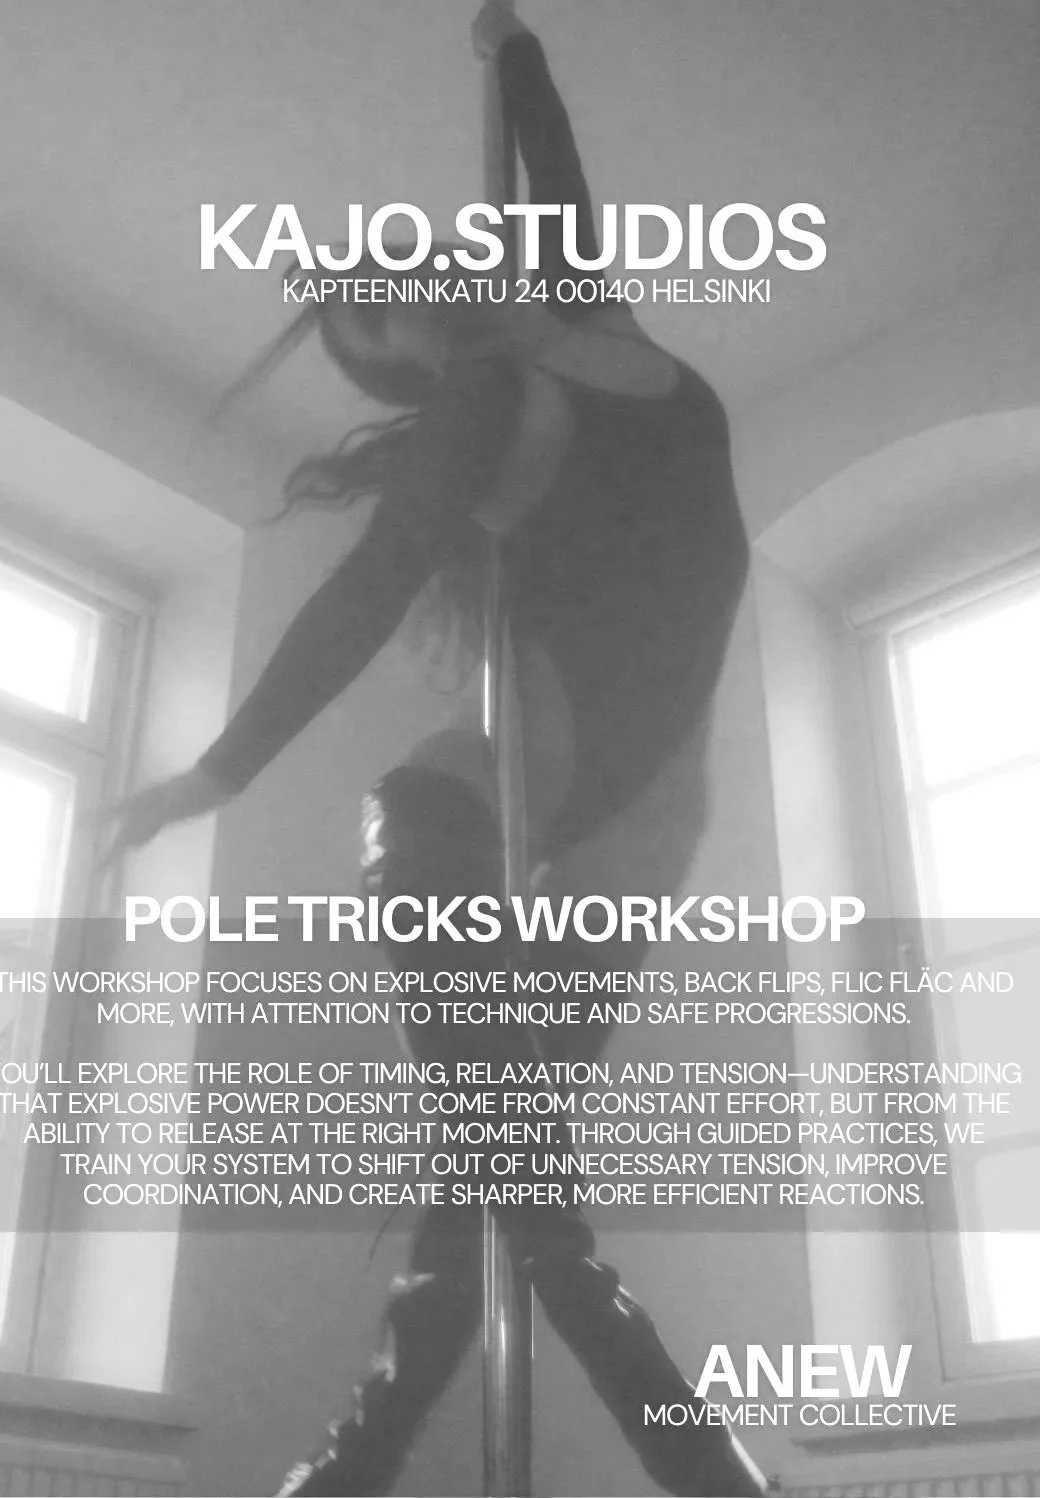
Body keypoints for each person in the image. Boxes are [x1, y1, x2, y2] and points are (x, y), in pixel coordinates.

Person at [112, 5, 765, 1494]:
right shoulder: (488, 402)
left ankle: (354, 1471)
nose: (398, 338)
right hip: (475, 804)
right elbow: (373, 585)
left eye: (381, 308)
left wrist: (518, 58)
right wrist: (219, 771)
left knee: (497, 1183)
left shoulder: (586, 314)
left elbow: (559, 180)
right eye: (378, 350)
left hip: (638, 827)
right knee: (517, 1183)